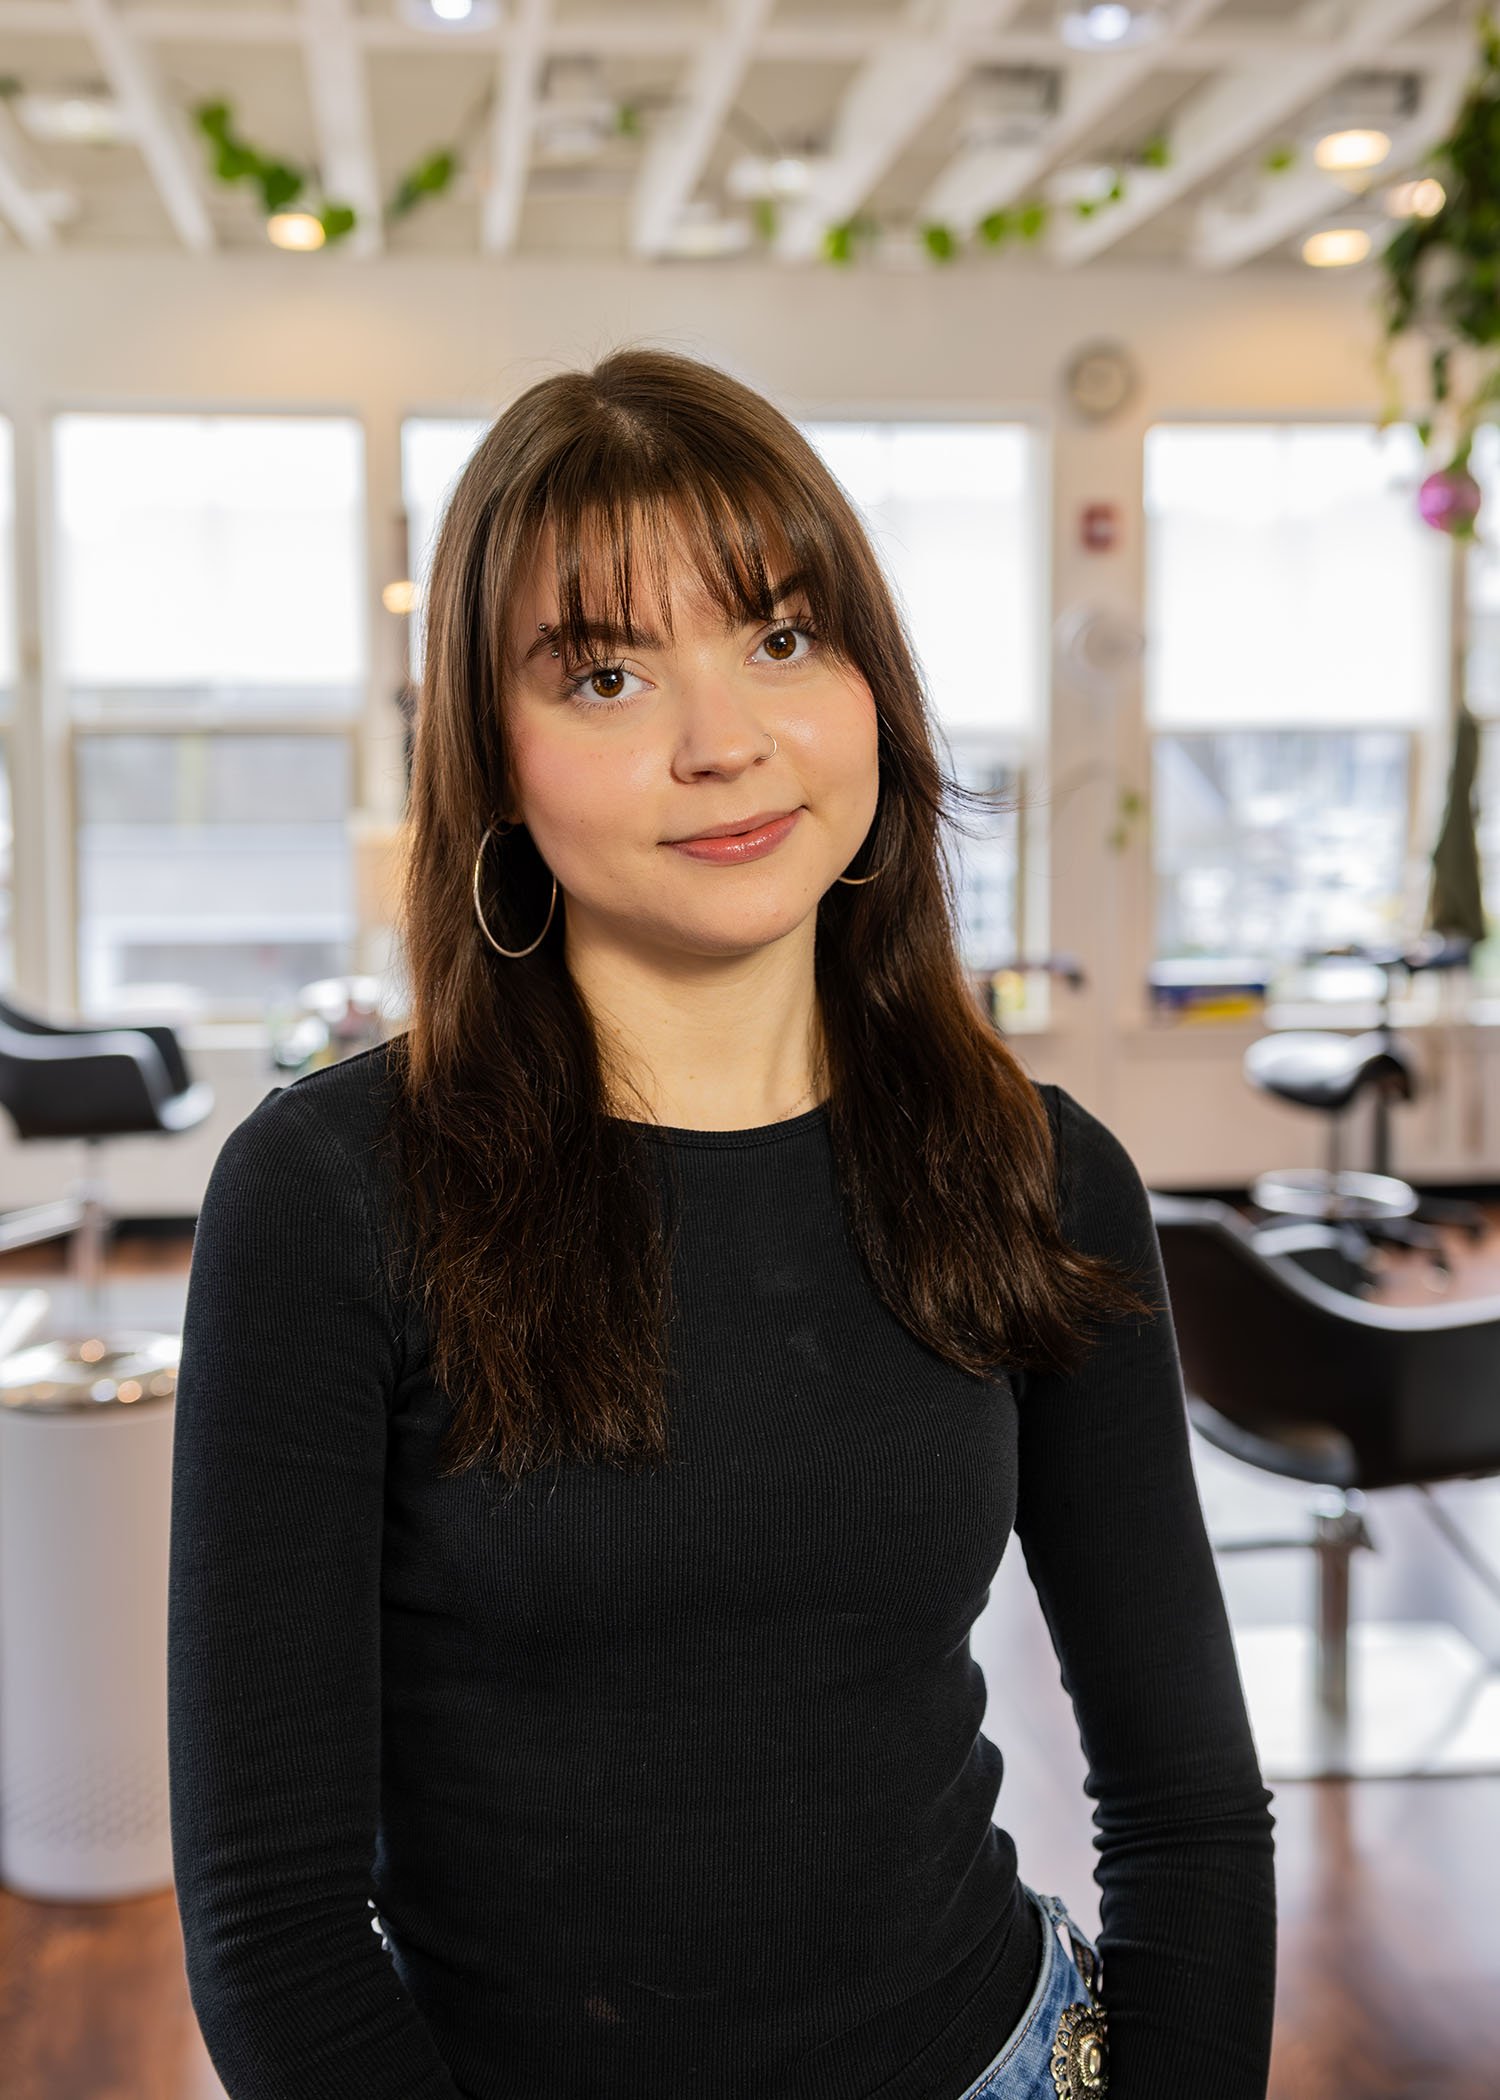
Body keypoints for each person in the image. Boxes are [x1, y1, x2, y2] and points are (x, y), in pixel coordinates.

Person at [167, 345, 1277, 2100]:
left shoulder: (1037, 1172)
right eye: (607, 674)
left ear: (871, 683)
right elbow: (272, 1922)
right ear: (492, 758)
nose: (724, 743)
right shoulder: (330, 1194)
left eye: (781, 637)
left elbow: (1190, 1803)